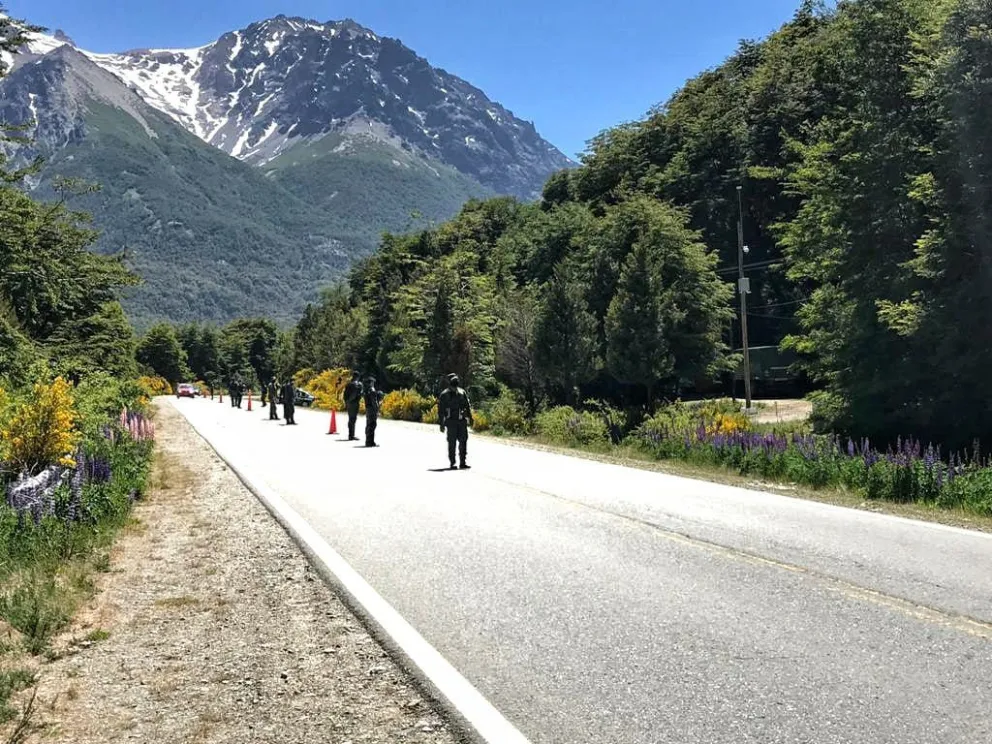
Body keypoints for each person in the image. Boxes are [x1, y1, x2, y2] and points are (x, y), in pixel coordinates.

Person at [438, 373, 473, 469]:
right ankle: (452, 462)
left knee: (463, 441)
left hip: (461, 421)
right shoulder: (444, 394)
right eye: (453, 379)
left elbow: (467, 406)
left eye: (456, 379)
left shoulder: (462, 392)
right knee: (452, 443)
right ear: (449, 382)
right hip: (451, 422)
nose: (455, 380)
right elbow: (441, 411)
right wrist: (441, 424)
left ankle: (463, 462)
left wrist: (470, 417)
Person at [363, 376, 384, 447]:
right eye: (373, 382)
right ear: (371, 382)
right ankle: (370, 442)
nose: (373, 383)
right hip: (372, 409)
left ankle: (368, 441)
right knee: (372, 425)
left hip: (368, 409)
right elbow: (374, 402)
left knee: (369, 425)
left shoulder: (366, 390)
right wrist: (377, 410)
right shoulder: (372, 390)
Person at [343, 371, 363, 441]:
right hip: (354, 403)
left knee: (350, 419)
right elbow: (355, 394)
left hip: (349, 403)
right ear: (358, 377)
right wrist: (351, 400)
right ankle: (351, 435)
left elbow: (344, 395)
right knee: (353, 419)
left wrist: (346, 402)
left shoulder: (348, 384)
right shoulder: (358, 384)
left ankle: (351, 434)